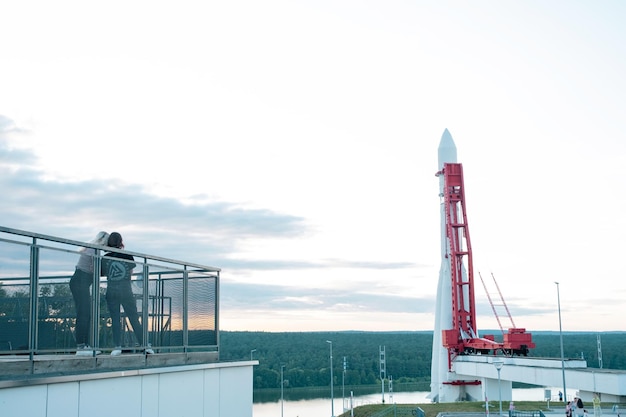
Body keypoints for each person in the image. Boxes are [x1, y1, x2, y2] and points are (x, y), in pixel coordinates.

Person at [102, 232, 153, 356]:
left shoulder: (105, 258)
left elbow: (103, 274)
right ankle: (144, 345)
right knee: (134, 318)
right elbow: (130, 273)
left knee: (115, 319)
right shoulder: (127, 256)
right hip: (126, 289)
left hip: (111, 289)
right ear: (121, 242)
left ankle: (117, 346)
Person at [70, 231, 109, 356]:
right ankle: (81, 347)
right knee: (84, 313)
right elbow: (94, 269)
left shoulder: (91, 248)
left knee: (84, 313)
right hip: (80, 281)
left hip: (79, 280)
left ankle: (84, 345)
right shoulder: (95, 251)